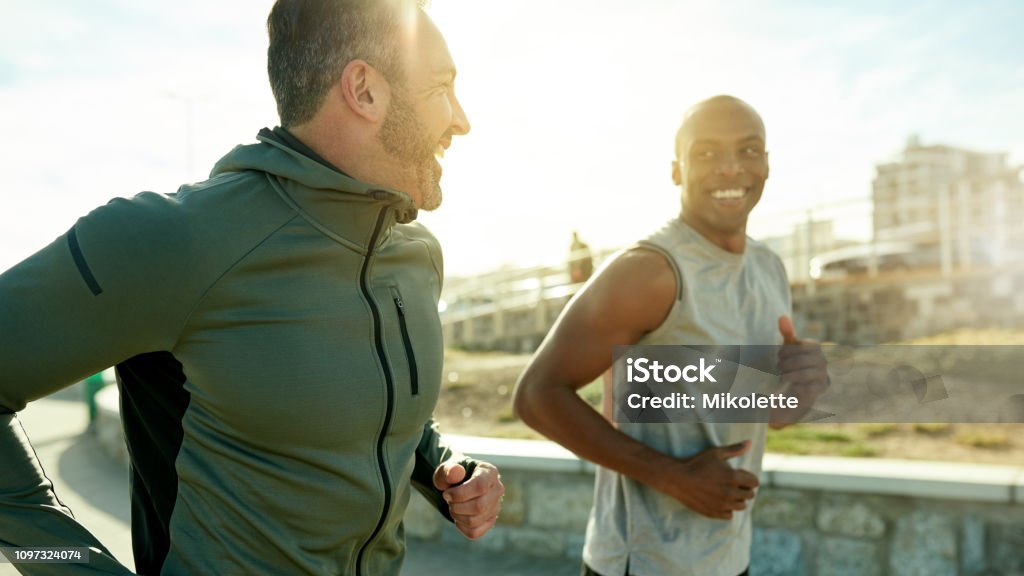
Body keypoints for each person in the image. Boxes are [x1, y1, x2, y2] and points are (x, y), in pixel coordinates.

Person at [0, 1, 504, 574]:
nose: (461, 119)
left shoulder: (416, 256)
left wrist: (446, 468)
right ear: (363, 90)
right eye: (441, 88)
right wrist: (67, 562)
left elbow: (369, 407)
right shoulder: (173, 239)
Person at [514, 95, 827, 576]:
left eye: (748, 150)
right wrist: (673, 478)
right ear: (676, 171)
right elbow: (537, 396)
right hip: (640, 563)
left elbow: (763, 410)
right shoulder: (652, 271)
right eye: (705, 153)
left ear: (766, 164)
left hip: (728, 558)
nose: (730, 168)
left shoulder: (769, 269)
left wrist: (797, 392)